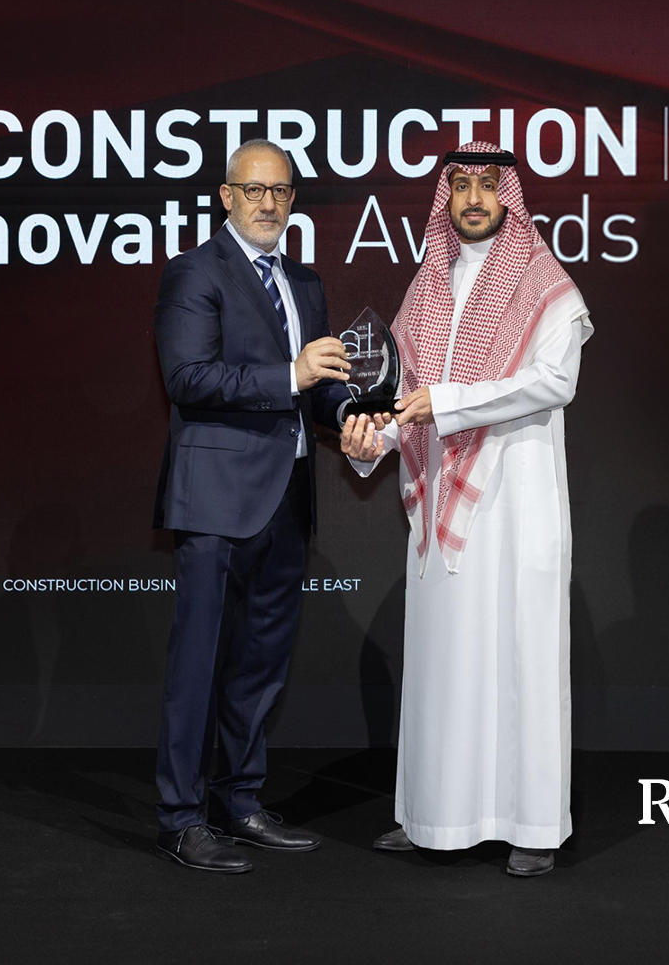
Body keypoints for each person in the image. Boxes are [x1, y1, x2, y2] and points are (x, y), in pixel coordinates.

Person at [339, 140, 592, 877]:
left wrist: (446, 403)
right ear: (444, 199)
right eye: (461, 186)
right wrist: (369, 439)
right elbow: (401, 398)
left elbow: (554, 382)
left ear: (506, 195)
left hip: (516, 503)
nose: (474, 198)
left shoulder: (545, 282)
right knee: (443, 665)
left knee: (519, 662)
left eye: (487, 184)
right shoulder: (426, 288)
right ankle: (435, 817)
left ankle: (533, 827)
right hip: (440, 510)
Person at [150, 138, 353, 872]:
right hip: (216, 500)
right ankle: (180, 819)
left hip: (289, 498)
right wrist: (290, 374)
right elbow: (188, 377)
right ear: (227, 197)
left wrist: (350, 414)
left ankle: (239, 803)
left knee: (261, 664)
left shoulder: (305, 282)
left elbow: (317, 388)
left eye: (281, 191)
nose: (269, 203)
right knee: (199, 663)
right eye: (255, 190)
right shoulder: (195, 272)